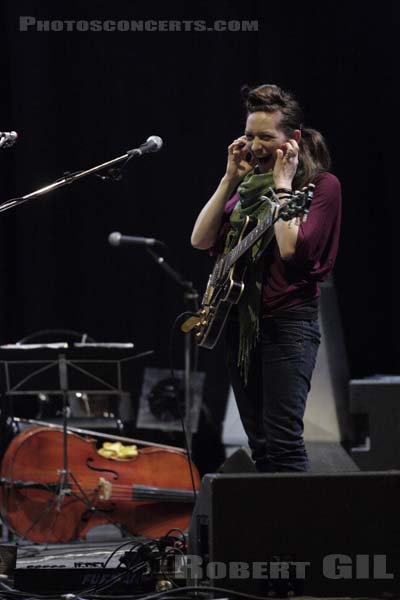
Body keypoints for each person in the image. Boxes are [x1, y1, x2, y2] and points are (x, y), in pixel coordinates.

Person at [191, 84, 341, 472]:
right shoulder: (244, 189)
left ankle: (298, 533)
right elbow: (201, 239)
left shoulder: (321, 187)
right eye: (250, 135)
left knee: (284, 443)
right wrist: (228, 179)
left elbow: (291, 248)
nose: (255, 146)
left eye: (266, 137)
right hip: (241, 326)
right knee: (259, 446)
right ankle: (269, 532)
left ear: (292, 139)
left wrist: (283, 186)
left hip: (288, 325)